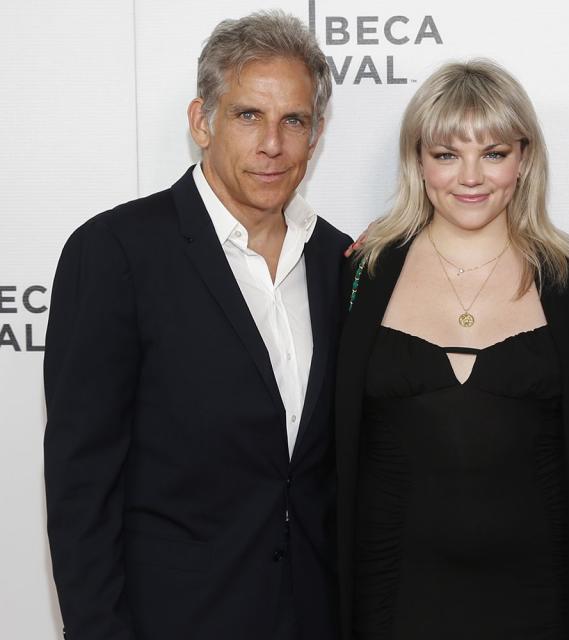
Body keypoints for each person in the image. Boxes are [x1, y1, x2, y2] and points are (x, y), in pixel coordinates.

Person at [43, 11, 350, 640]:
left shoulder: (339, 263)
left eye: (293, 120)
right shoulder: (115, 253)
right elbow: (82, 486)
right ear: (201, 121)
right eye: (247, 115)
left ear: (314, 136)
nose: (272, 143)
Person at [335, 60, 569, 640]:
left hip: (538, 591)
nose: (470, 177)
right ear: (417, 161)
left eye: (493, 152)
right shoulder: (363, 272)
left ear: (524, 159)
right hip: (392, 586)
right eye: (447, 153)